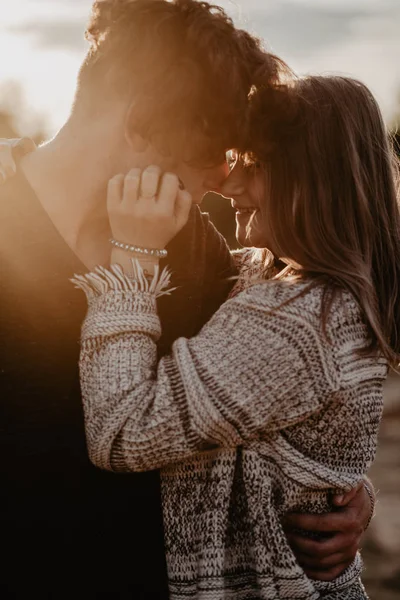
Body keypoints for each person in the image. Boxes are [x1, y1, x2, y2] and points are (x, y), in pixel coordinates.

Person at [0, 1, 374, 597]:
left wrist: (339, 492)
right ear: (141, 123)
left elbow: (261, 395)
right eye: (215, 151)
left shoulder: (192, 242)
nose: (220, 180)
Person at [71, 72, 400, 599]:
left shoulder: (296, 320)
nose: (229, 185)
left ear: (316, 181)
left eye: (258, 166)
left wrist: (133, 256)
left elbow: (122, 431)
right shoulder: (294, 284)